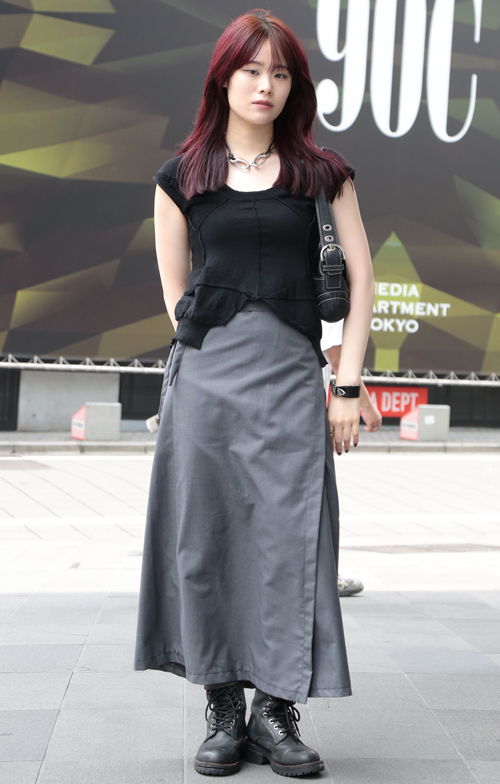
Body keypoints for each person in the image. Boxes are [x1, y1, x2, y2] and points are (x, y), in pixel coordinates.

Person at [134, 9, 375, 778]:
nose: (265, 85)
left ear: (294, 85)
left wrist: (346, 384)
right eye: (251, 70)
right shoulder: (181, 177)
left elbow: (363, 283)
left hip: (292, 383)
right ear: (223, 79)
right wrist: (202, 363)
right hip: (205, 384)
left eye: (280, 73)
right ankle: (223, 709)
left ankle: (276, 712)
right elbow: (175, 293)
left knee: (289, 543)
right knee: (205, 543)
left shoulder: (322, 173)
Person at [321, 320, 382, 598]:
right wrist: (366, 407)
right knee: (317, 498)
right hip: (301, 404)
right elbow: (337, 355)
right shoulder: (328, 292)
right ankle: (323, 576)